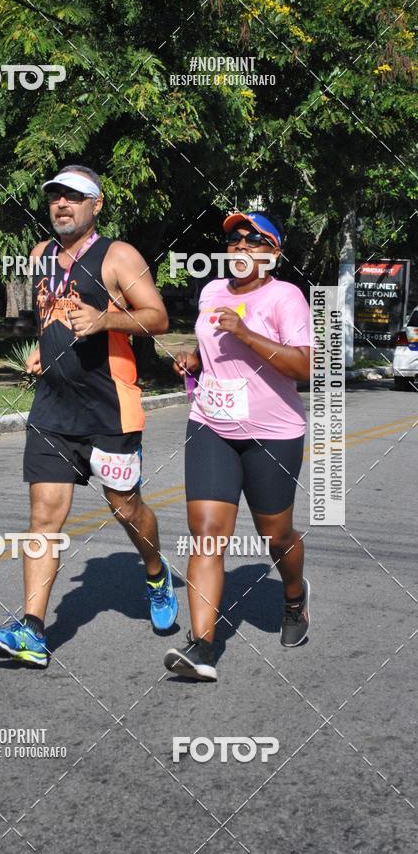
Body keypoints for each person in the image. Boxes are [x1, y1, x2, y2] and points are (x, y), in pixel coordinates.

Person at [0, 165, 177, 667]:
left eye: (74, 197)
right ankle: (33, 631)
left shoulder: (118, 255)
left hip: (109, 409)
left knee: (126, 508)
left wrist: (107, 318)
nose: (62, 205)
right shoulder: (41, 255)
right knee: (43, 519)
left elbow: (157, 317)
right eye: (55, 198)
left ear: (97, 205)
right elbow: (53, 315)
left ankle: (156, 573)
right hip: (52, 408)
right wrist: (46, 352)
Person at [164, 210, 313, 681]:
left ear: (274, 253)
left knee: (277, 535)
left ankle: (294, 597)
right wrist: (193, 360)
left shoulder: (285, 297)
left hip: (274, 433)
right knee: (206, 531)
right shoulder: (210, 292)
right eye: (234, 240)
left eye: (255, 240)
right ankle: (202, 646)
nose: (242, 246)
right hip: (211, 423)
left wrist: (245, 332)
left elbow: (306, 368)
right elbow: (211, 352)